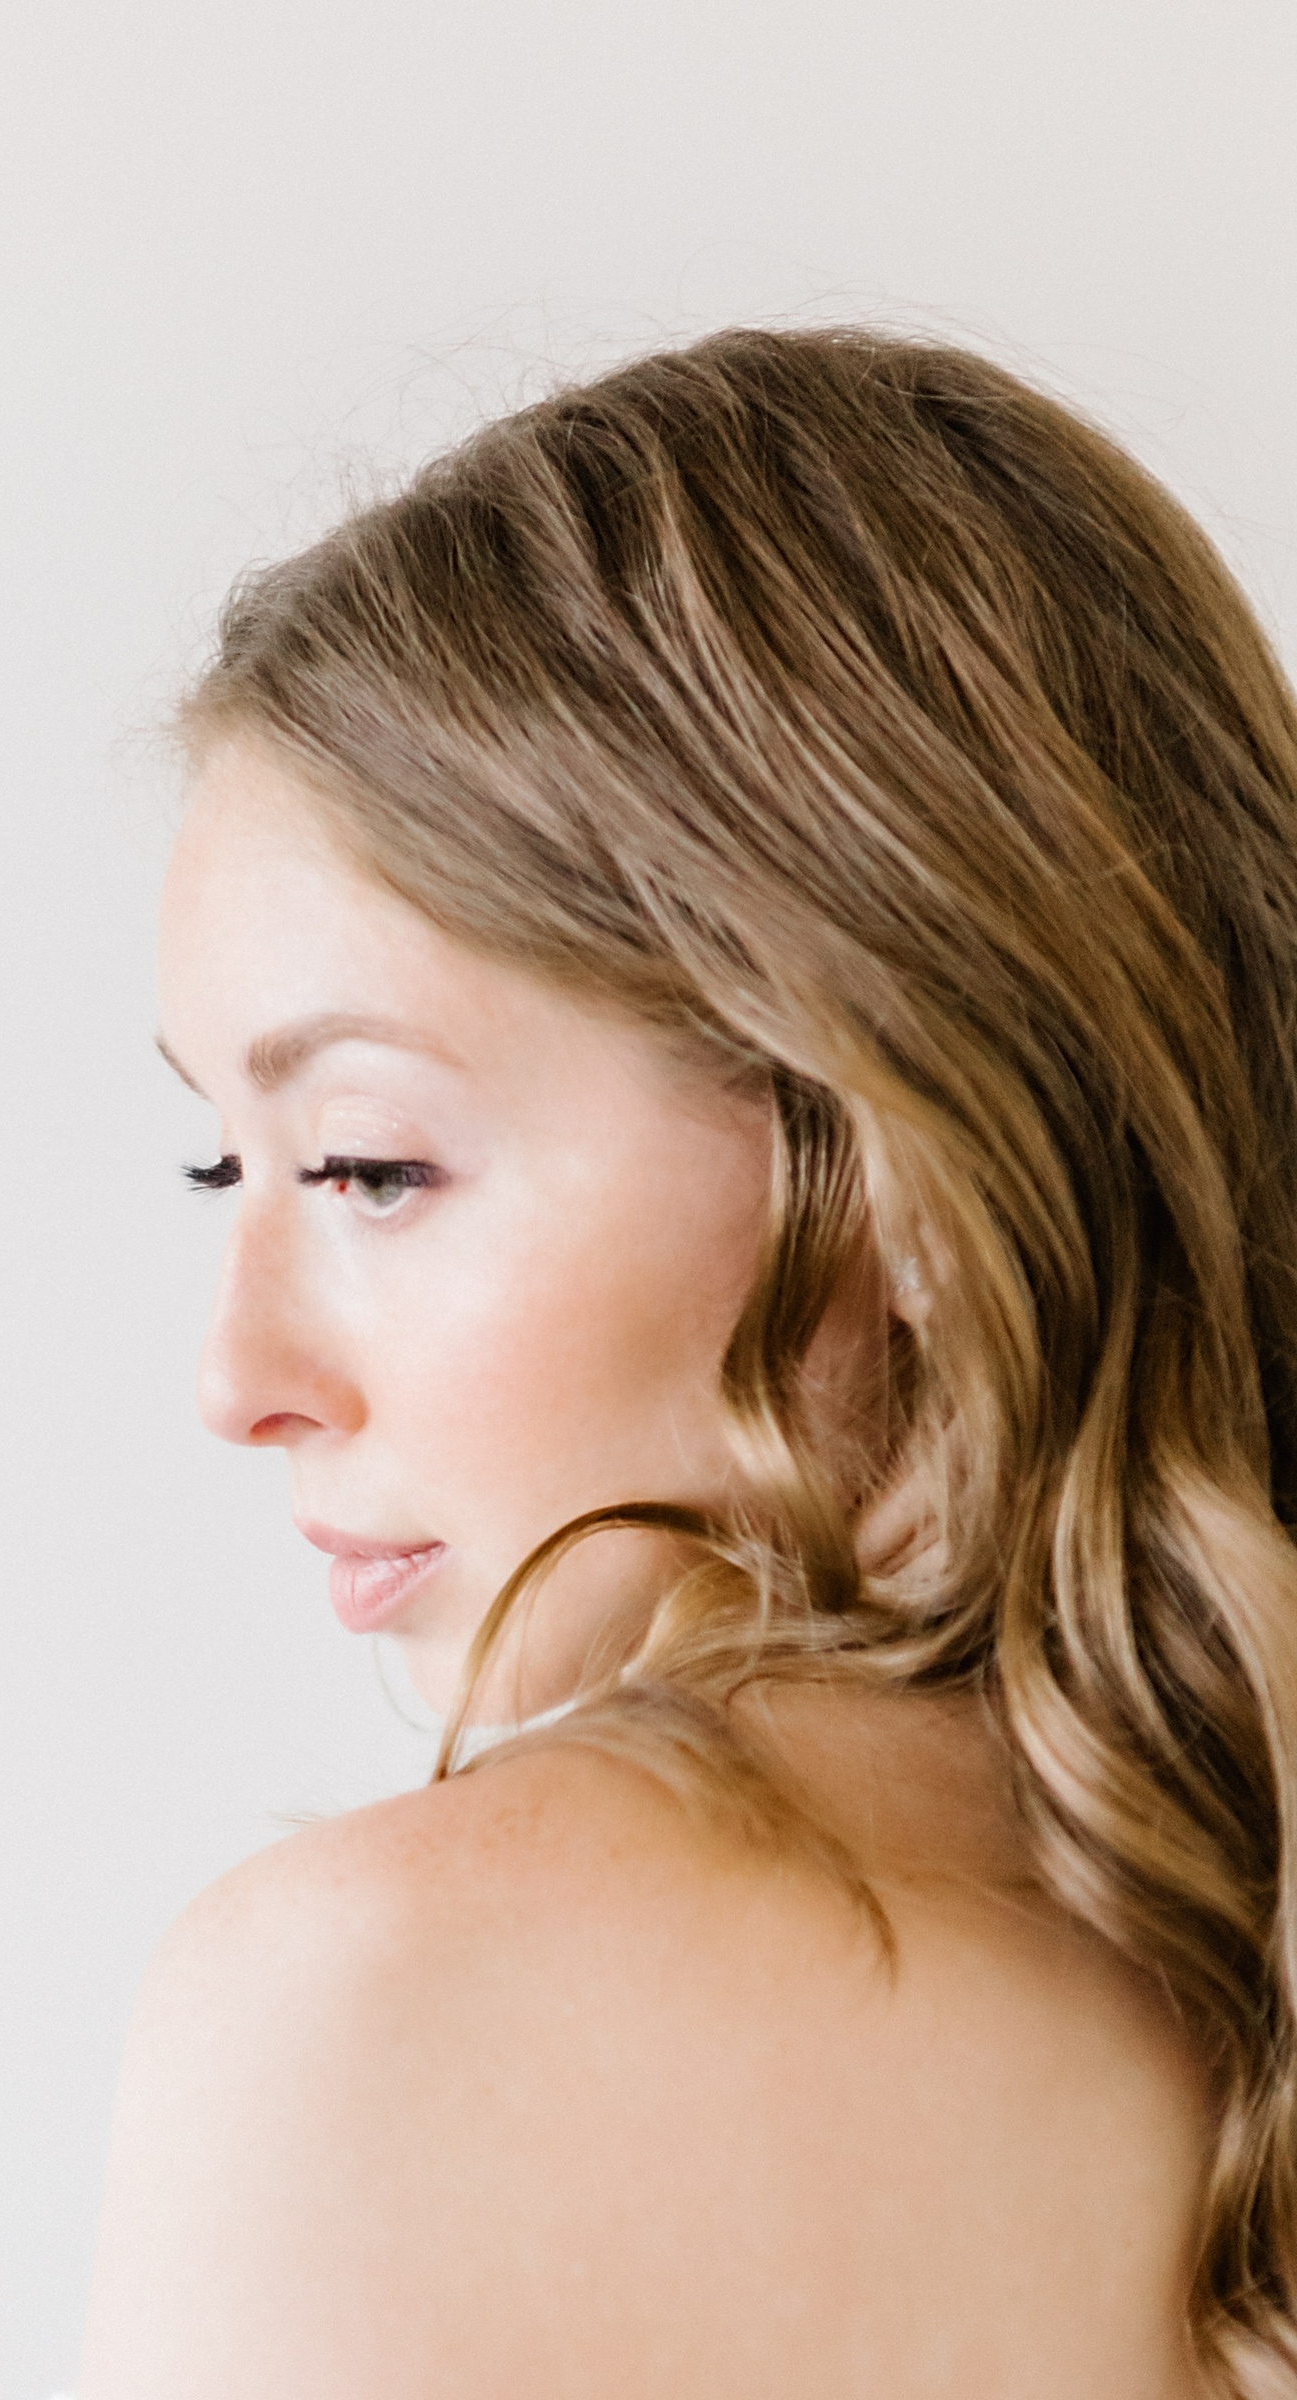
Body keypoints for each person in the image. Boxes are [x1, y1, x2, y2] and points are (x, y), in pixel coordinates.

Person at [75, 327, 1297, 2397]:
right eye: (227, 1164)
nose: (239, 1375)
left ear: (891, 1155)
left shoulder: (374, 2012)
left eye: (369, 1166)